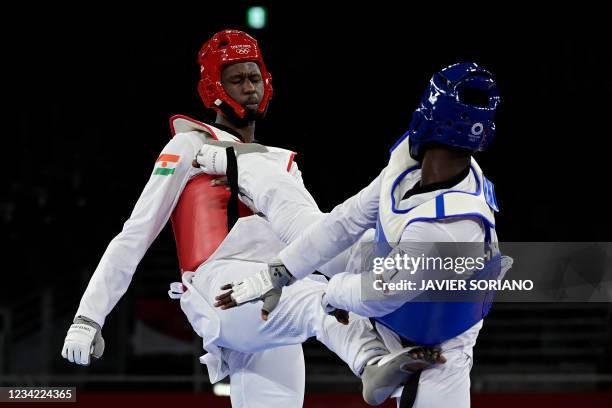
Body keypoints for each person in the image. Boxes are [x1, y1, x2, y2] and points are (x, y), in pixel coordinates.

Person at [61, 29, 442, 407]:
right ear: (213, 87)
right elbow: (134, 234)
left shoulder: (284, 164)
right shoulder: (188, 146)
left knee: (321, 290)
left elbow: (314, 239)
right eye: (237, 79)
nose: (249, 88)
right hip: (221, 288)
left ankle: (387, 345)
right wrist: (88, 317)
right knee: (319, 300)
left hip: (275, 293)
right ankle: (371, 361)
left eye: (254, 77)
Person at [202, 62, 513, 407]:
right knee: (305, 222)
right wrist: (278, 272)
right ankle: (232, 162)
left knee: (347, 298)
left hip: (441, 330)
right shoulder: (407, 165)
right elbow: (345, 222)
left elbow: (380, 294)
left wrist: (325, 295)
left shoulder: (451, 226)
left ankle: (373, 359)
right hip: (384, 265)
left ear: (426, 114)